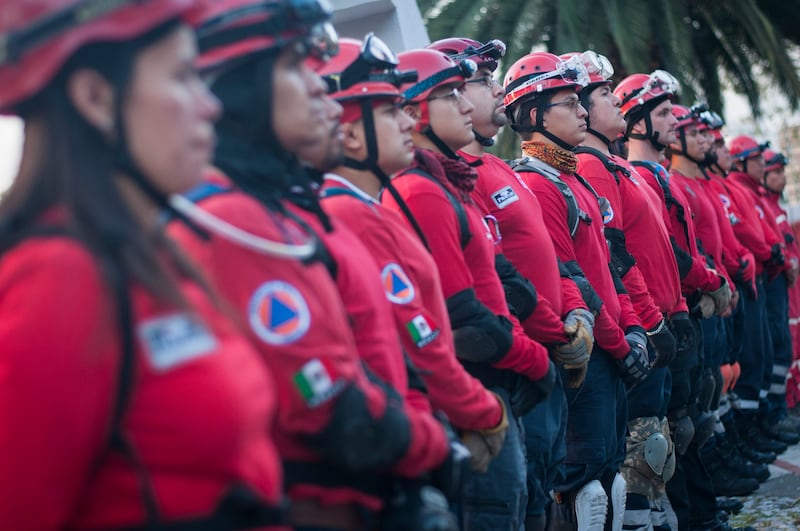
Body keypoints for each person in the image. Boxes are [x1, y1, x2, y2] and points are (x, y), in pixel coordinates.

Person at [0, 0, 286, 529]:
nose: (211, 107)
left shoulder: (143, 249)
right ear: (96, 99)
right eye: (183, 77)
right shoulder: (59, 279)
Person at [171, 2, 455, 529]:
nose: (321, 87)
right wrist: (432, 442)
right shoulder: (235, 218)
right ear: (242, 90)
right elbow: (325, 402)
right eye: (296, 65)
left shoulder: (278, 210)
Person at [381, 46, 557, 531]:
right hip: (481, 385)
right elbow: (465, 321)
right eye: (451, 93)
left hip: (499, 378)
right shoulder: (421, 192)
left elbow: (505, 279)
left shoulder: (449, 184)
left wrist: (558, 327)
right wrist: (536, 359)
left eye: (466, 90)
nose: (464, 104)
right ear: (415, 112)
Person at [314, 34, 508, 469]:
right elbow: (416, 338)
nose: (407, 123)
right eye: (388, 111)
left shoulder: (367, 205)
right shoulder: (351, 212)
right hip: (420, 435)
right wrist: (483, 412)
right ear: (348, 137)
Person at [429, 37, 594, 531]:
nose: (493, 90)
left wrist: (575, 314)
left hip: (547, 351)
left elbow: (552, 259)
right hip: (516, 361)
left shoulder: (500, 169)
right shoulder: (462, 180)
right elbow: (497, 282)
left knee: (541, 491)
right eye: (479, 80)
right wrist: (549, 340)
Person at [503, 51, 649, 530]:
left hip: (612, 345)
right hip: (587, 353)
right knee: (584, 488)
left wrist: (633, 326)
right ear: (533, 116)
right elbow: (573, 280)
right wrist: (616, 340)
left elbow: (611, 264)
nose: (583, 111)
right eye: (569, 103)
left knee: (613, 475)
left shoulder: (576, 180)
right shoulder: (536, 184)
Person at [571, 50, 689, 531]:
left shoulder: (615, 166)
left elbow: (652, 250)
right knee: (638, 457)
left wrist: (674, 309)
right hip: (631, 328)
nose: (613, 101)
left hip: (651, 319)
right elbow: (616, 258)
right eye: (603, 94)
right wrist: (649, 320)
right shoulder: (593, 167)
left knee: (656, 447)